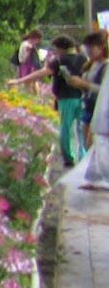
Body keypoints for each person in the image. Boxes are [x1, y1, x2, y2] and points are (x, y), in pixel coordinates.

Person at [11, 35, 89, 168]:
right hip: (82, 96)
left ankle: (68, 157)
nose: (55, 51)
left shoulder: (59, 60)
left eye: (56, 48)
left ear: (60, 48)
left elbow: (41, 73)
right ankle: (83, 155)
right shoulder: (83, 59)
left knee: (65, 128)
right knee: (81, 129)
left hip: (66, 97)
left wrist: (19, 81)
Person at [78, 33, 109, 188]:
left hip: (102, 110)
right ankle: (95, 179)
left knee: (98, 145)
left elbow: (104, 90)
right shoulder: (92, 65)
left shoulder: (106, 66)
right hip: (91, 107)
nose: (88, 50)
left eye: (91, 47)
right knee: (91, 145)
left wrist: (84, 85)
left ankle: (99, 179)